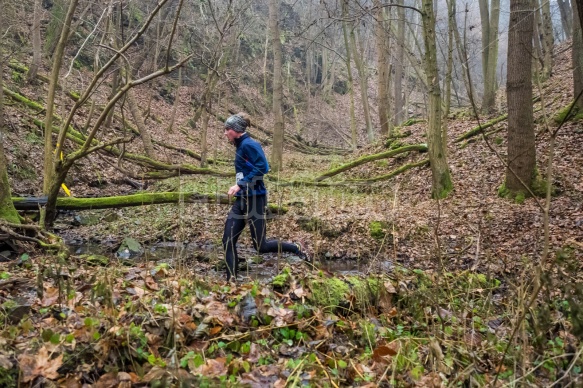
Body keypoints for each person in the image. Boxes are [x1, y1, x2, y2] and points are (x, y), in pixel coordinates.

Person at [222, 112, 308, 281]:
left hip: (256, 200)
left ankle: (295, 247)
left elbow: (264, 167)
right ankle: (231, 281)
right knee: (227, 240)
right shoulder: (240, 146)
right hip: (242, 200)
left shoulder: (249, 145)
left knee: (261, 246)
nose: (225, 133)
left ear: (236, 130)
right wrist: (240, 188)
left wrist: (239, 184)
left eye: (227, 129)